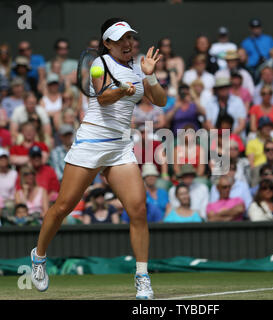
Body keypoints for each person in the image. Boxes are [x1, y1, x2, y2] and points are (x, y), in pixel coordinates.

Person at [30, 18, 167, 299]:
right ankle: (39, 256)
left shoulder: (138, 67)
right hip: (91, 143)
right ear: (107, 44)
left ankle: (142, 277)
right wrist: (123, 89)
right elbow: (104, 98)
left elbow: (160, 100)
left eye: (129, 38)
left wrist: (149, 76)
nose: (127, 43)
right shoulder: (98, 64)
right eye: (120, 40)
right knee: (63, 206)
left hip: (119, 147)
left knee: (138, 210)